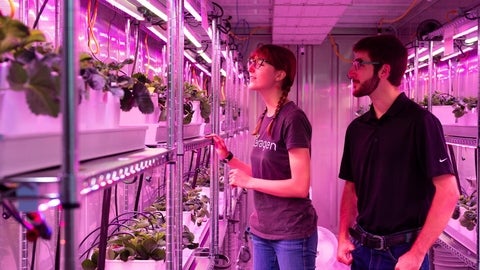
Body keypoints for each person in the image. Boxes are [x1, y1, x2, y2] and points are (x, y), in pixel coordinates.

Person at [336, 34, 460, 270]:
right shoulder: (357, 128)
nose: (351, 73)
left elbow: (448, 192)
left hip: (400, 255)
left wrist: (417, 253)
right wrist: (343, 236)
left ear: (383, 71)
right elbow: (351, 187)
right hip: (361, 251)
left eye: (359, 64)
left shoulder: (421, 123)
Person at [207, 44, 318, 269]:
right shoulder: (267, 116)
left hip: (291, 232)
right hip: (263, 230)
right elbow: (264, 174)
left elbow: (300, 186)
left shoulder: (292, 118)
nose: (251, 69)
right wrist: (228, 157)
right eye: (251, 62)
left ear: (279, 74)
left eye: (260, 63)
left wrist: (248, 182)